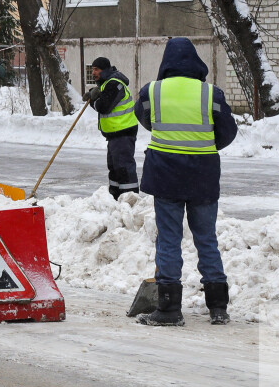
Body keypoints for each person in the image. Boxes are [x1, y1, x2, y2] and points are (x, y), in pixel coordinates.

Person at [134, 38, 238, 327]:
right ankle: (218, 307)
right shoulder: (211, 94)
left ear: (166, 62)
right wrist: (206, 143)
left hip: (165, 174)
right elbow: (228, 131)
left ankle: (168, 309)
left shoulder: (151, 91)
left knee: (169, 238)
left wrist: (166, 134)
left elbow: (143, 116)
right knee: (206, 238)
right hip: (202, 175)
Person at [85, 56, 139, 200]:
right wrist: (95, 94)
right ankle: (115, 197)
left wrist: (93, 100)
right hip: (115, 135)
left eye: (97, 69)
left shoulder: (114, 84)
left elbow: (104, 107)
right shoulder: (106, 84)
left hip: (123, 133)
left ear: (106, 70)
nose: (93, 73)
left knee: (124, 168)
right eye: (92, 69)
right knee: (114, 169)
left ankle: (130, 199)